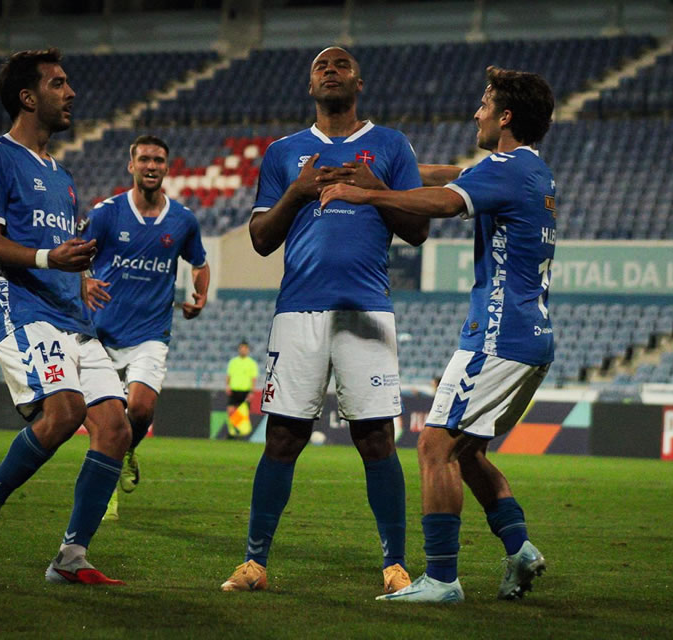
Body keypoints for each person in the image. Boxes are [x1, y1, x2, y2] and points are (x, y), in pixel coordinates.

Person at [320, 67, 557, 603]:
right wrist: (385, 166)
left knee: (433, 445)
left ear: (505, 116)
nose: (476, 113)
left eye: (484, 104)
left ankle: (443, 579)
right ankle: (519, 550)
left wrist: (373, 194)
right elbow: (452, 175)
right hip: (531, 337)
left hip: (498, 336)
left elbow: (448, 201)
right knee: (467, 452)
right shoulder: (530, 170)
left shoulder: (504, 169)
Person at [220, 46, 429, 595]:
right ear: (309, 84)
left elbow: (419, 231)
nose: (330, 70)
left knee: (377, 438)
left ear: (359, 80)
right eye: (320, 66)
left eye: (340, 64)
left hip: (368, 311)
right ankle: (255, 564)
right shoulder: (285, 154)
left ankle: (394, 565)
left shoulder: (389, 146)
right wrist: (299, 189)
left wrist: (371, 189)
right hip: (298, 313)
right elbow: (262, 239)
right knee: (283, 437)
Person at [0, 48, 131, 585]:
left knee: (115, 428)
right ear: (28, 97)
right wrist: (46, 260)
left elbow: (57, 245)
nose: (71, 92)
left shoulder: (63, 175)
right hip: (25, 312)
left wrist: (77, 273)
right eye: (58, 83)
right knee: (64, 411)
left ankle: (71, 557)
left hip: (72, 317)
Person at [81, 134, 210, 520]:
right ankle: (108, 491)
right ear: (131, 165)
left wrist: (199, 295)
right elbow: (75, 255)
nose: (151, 166)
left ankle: (126, 452)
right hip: (100, 333)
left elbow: (199, 263)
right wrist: (84, 281)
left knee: (140, 408)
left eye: (158, 160)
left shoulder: (183, 220)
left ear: (167, 168)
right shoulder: (106, 213)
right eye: (145, 159)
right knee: (107, 422)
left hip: (150, 334)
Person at [225, 340, 258, 438]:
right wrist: (227, 386)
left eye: (245, 349)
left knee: (244, 413)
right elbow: (228, 375)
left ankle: (242, 432)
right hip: (234, 390)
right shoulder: (233, 362)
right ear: (239, 350)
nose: (243, 350)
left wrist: (252, 391)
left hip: (245, 391)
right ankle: (232, 432)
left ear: (248, 350)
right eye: (241, 349)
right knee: (231, 411)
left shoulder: (252, 363)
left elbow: (253, 378)